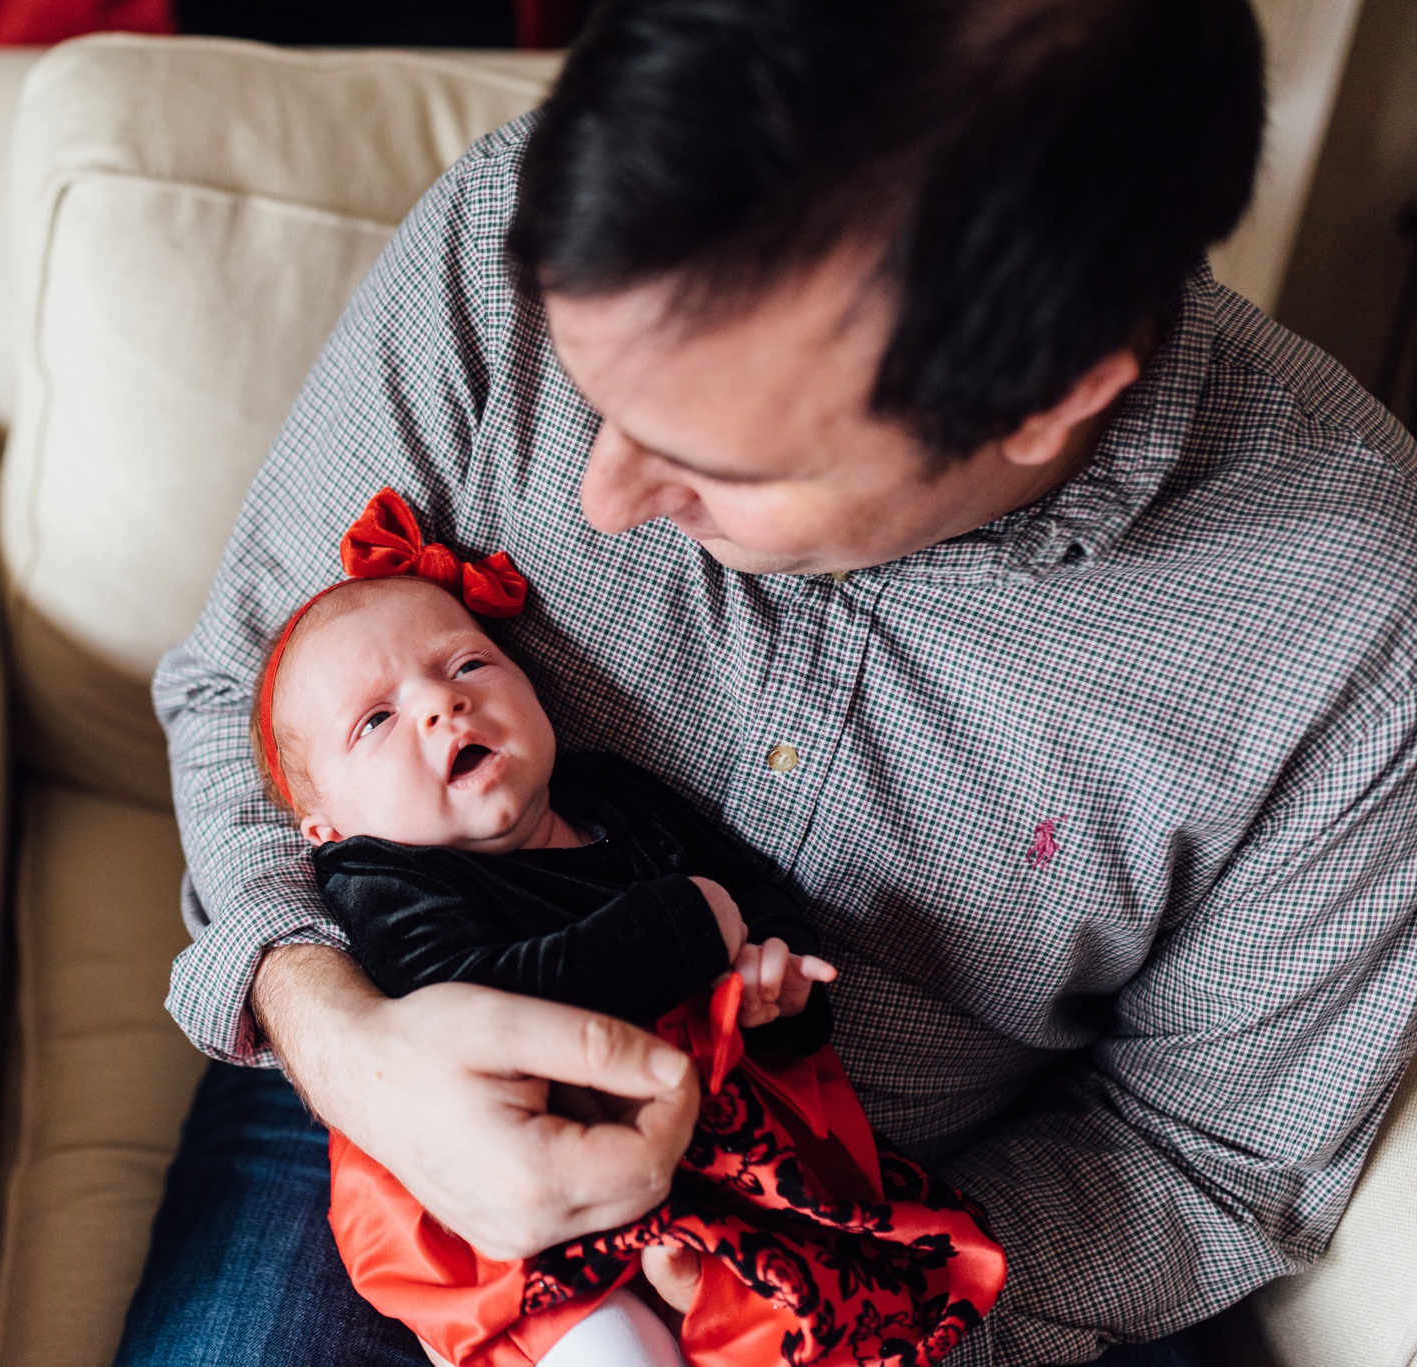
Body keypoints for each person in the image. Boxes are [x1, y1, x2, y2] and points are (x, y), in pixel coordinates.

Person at [120, 1, 1417, 1364]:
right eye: (588, 391)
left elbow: (1208, 1155)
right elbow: (236, 693)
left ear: (1046, 396)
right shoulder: (511, 219)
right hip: (381, 1037)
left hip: (900, 1207)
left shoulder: (1354, 622)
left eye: (712, 461)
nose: (601, 499)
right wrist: (339, 1037)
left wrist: (825, 1282)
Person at [254, 490, 1005, 1366]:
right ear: (327, 827)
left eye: (466, 665)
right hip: (495, 1175)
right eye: (376, 719)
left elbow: (746, 886)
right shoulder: (382, 875)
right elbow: (473, 999)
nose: (440, 705)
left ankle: (708, 1298)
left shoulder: (608, 790)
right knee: (607, 1350)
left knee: (806, 1297)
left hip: (706, 1133)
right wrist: (683, 925)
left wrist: (777, 966)